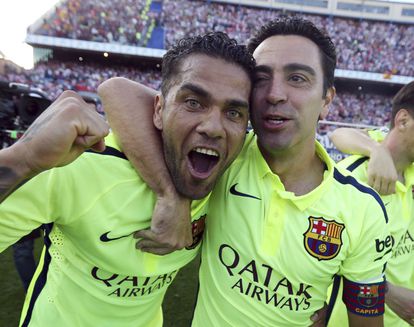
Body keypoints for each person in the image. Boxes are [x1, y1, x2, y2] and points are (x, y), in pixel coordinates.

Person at [104, 17, 391, 326]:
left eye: (297, 78)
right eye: (262, 78)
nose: (274, 94)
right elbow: (118, 91)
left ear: (327, 100)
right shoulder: (226, 156)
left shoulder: (363, 210)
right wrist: (171, 195)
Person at [0, 32, 255, 326]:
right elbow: (117, 89)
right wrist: (22, 158)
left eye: (233, 112)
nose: (213, 128)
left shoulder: (231, 180)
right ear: (158, 110)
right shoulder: (82, 165)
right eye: (194, 102)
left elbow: (120, 91)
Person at [328, 81, 414, 326]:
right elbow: (318, 256)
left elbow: (340, 134)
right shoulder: (352, 179)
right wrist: (387, 292)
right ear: (403, 120)